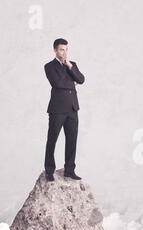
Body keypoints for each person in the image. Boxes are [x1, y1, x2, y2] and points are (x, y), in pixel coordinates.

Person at [43, 38, 85, 181]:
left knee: (72, 140)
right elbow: (57, 83)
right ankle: (49, 170)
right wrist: (72, 82)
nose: (64, 52)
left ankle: (69, 170)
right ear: (55, 50)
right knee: (52, 140)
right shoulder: (49, 66)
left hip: (73, 108)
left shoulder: (72, 65)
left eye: (66, 49)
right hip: (57, 109)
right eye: (61, 49)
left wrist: (70, 67)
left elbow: (81, 79)